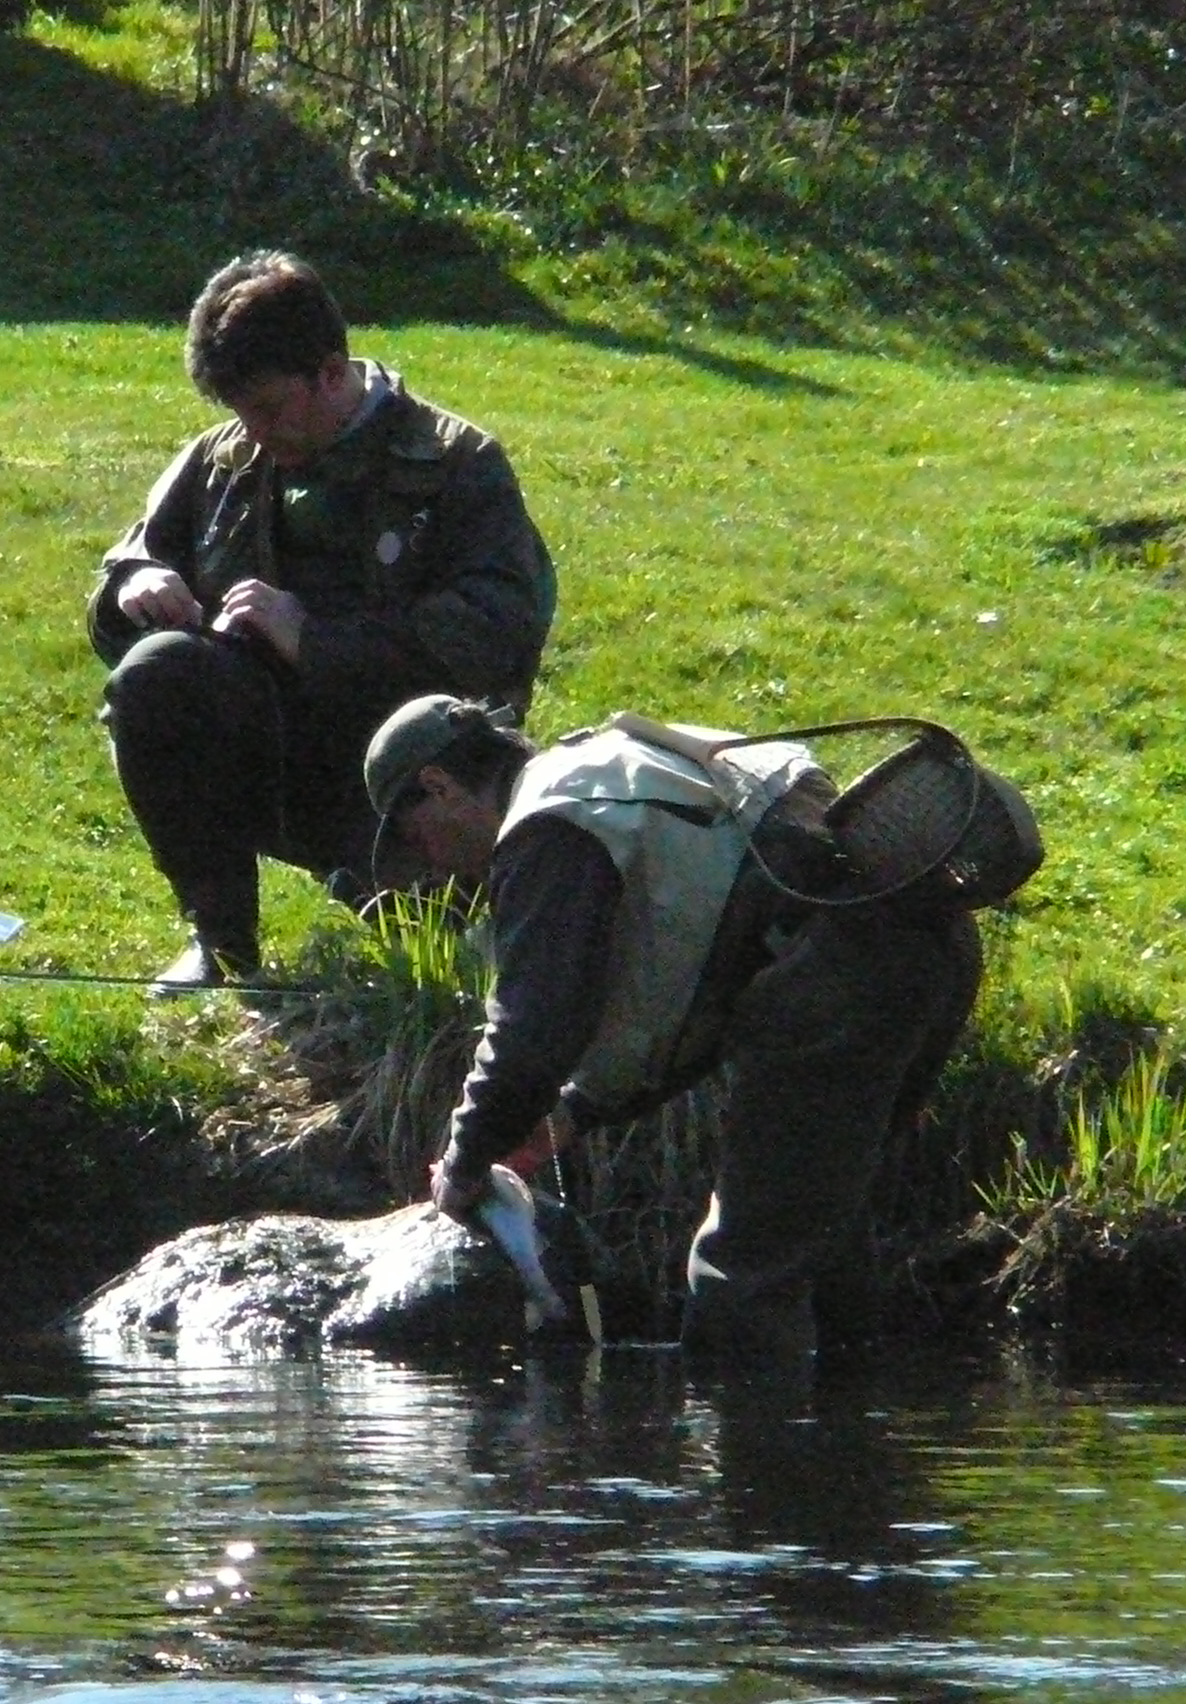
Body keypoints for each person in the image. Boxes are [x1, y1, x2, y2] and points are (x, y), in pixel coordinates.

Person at [361, 695, 986, 1370]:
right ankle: (851, 1425)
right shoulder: (625, 762)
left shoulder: (547, 827)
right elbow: (697, 976)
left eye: (415, 839)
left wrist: (464, 1164)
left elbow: (530, 1035)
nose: (432, 867)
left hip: (836, 992)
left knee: (739, 1280)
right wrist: (573, 1116)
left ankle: (753, 1433)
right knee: (821, 1240)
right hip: (930, 947)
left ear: (439, 786)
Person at [88, 251, 556, 992]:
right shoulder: (223, 460)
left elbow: (496, 633)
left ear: (331, 373)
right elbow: (130, 564)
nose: (254, 430)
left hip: (403, 767)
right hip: (261, 742)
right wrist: (136, 586)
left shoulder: (456, 464)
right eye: (238, 412)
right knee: (154, 678)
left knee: (447, 964)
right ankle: (221, 945)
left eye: (269, 408)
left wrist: (314, 640)